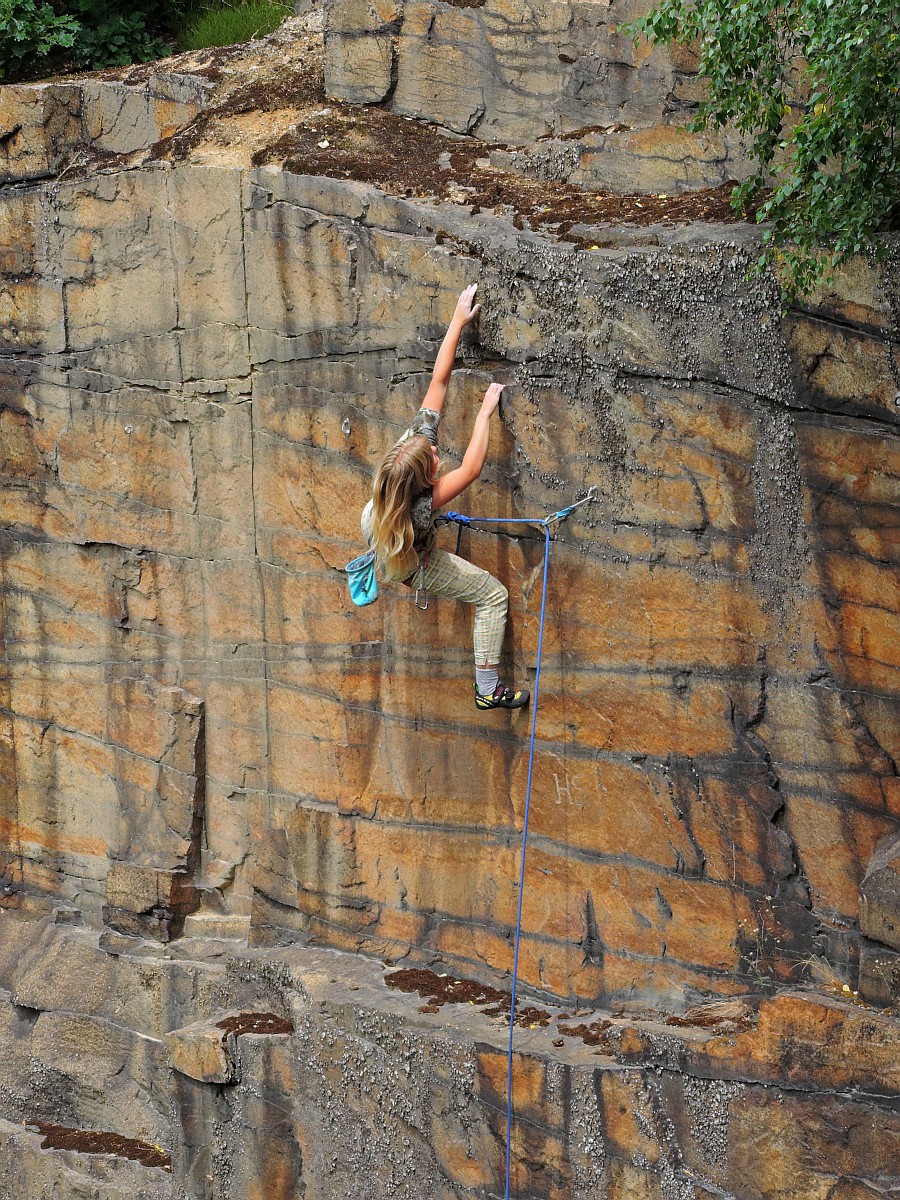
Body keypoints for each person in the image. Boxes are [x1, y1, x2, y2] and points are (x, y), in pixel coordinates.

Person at [361, 283, 530, 711]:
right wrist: (484, 413)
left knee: (391, 529)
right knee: (493, 595)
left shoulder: (406, 452)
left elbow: (439, 379)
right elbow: (471, 469)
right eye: (435, 459)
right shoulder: (420, 505)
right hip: (411, 560)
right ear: (425, 481)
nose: (437, 453)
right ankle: (487, 690)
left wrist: (457, 320)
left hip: (377, 519)